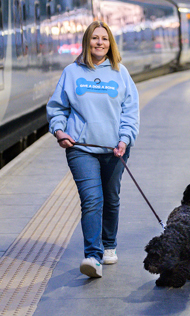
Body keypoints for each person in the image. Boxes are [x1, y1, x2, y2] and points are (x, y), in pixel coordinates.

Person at [46, 21, 139, 278]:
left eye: (105, 39)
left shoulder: (121, 73)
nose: (100, 42)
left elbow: (130, 112)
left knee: (111, 198)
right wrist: (59, 130)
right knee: (92, 200)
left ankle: (109, 245)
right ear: (87, 42)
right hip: (81, 148)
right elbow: (57, 107)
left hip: (114, 149)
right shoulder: (72, 72)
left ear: (110, 44)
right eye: (95, 38)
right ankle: (92, 256)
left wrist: (125, 139)